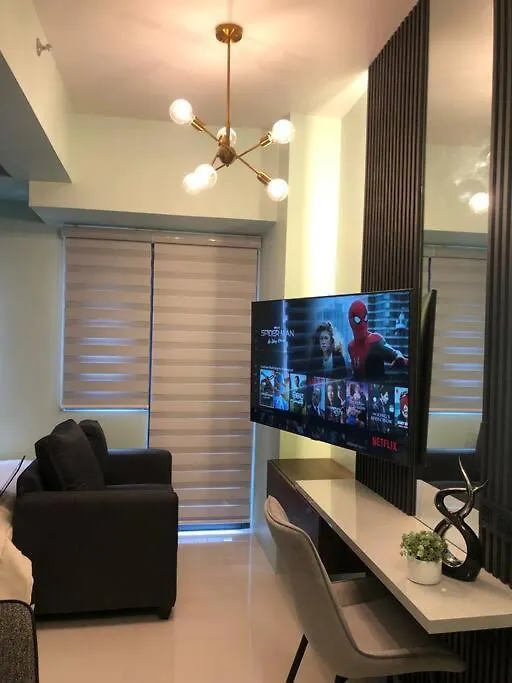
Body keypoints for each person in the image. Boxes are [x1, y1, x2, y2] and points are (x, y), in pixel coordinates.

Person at [347, 300, 408, 380]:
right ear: (351, 320)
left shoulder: (374, 341)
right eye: (357, 320)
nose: (362, 324)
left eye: (365, 318)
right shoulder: (351, 346)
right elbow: (356, 373)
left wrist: (400, 358)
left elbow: (394, 353)